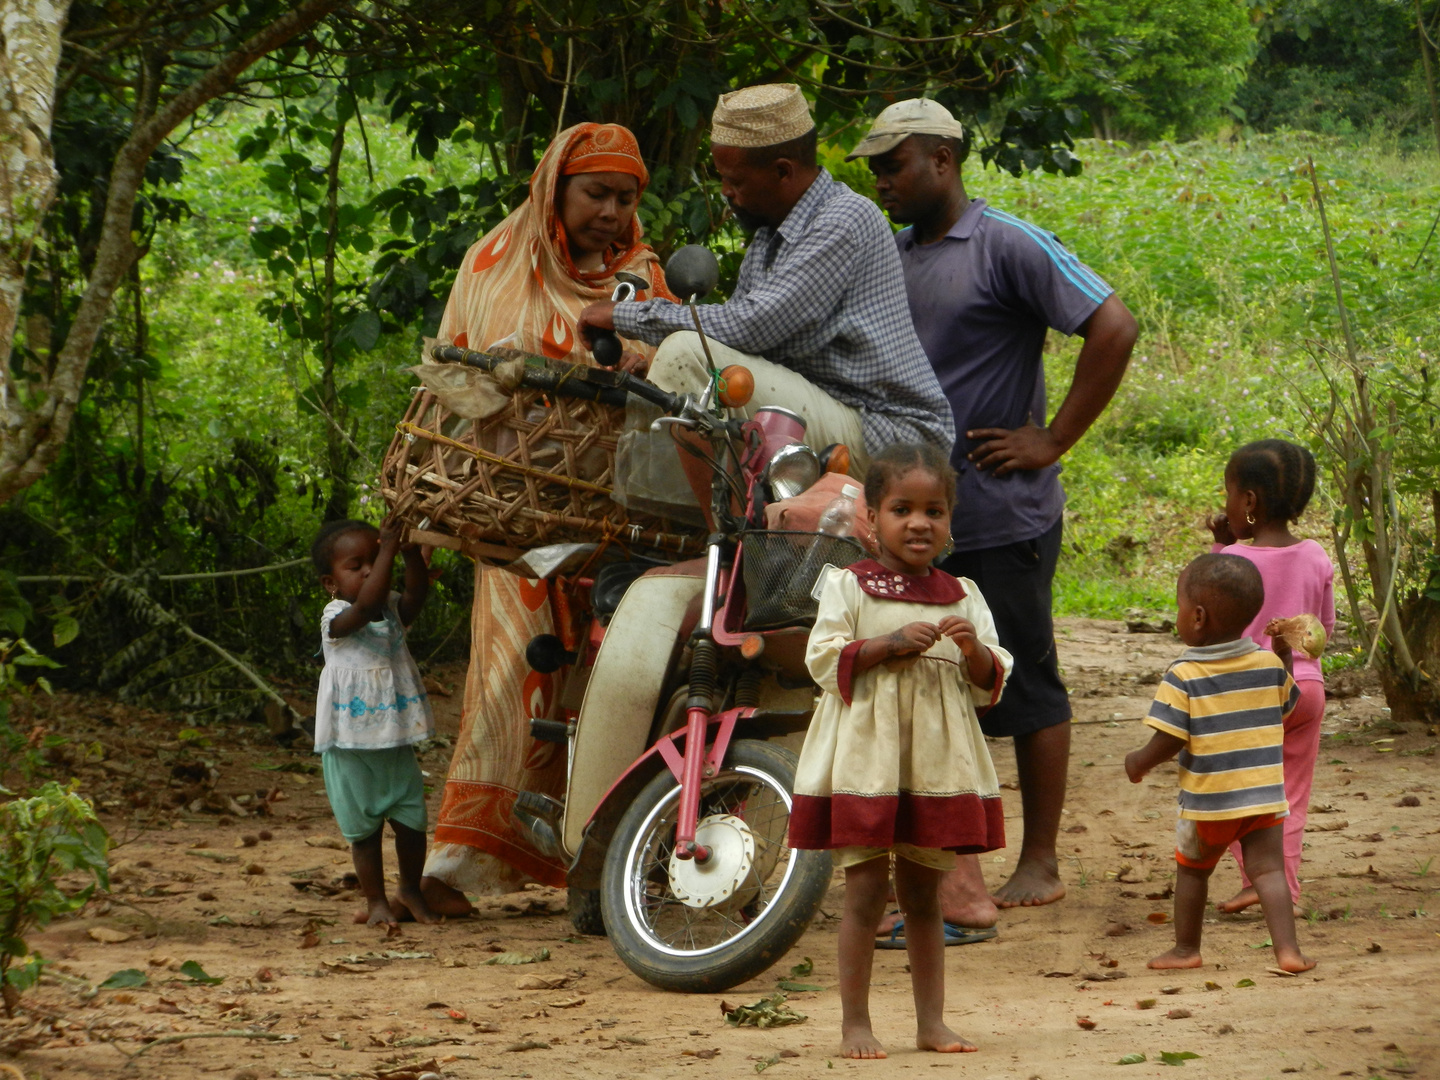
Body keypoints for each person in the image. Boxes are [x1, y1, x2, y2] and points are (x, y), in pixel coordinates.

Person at [848, 99, 1138, 924]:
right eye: (873, 170)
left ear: (943, 157)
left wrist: (1052, 438)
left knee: (1026, 683)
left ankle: (1039, 859)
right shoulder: (891, 257)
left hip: (1003, 514)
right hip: (912, 524)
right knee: (929, 686)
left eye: (894, 164)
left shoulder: (1004, 242)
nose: (882, 182)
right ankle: (946, 865)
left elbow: (1114, 324)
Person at [420, 123, 677, 914]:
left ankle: (597, 858)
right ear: (555, 190)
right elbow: (449, 380)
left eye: (625, 197)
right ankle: (460, 863)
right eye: (596, 193)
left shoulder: (644, 275)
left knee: (607, 679)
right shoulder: (500, 261)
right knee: (507, 673)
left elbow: (676, 375)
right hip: (512, 507)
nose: (610, 211)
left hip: (621, 510)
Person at [576, 82, 954, 511]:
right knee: (681, 366)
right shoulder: (771, 235)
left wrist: (627, 316)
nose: (725, 191)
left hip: (887, 434)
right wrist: (656, 367)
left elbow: (749, 326)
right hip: (840, 414)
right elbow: (740, 342)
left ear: (782, 171)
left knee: (687, 352)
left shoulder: (844, 219)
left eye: (734, 179)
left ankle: (731, 536)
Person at [789, 443, 1012, 1059]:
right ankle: (854, 1024)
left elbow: (994, 676)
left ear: (948, 520)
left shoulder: (961, 593)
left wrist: (972, 652)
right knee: (865, 893)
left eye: (934, 511)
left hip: (934, 765)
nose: (920, 523)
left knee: (924, 897)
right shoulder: (849, 585)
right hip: (869, 762)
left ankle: (931, 1023)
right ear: (873, 516)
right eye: (902, 508)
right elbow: (823, 656)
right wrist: (886, 643)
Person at [1125, 553, 1315, 974]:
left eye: (1178, 607)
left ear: (1196, 617)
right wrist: (1282, 655)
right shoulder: (1267, 665)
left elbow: (1171, 736)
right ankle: (1288, 952)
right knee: (1268, 872)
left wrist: (1139, 761)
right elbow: (1284, 708)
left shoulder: (1184, 672)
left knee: (1193, 872)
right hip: (1264, 798)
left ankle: (1185, 949)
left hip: (1209, 801)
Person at [1205, 439, 1334, 915]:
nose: (1226, 504)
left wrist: (1221, 545)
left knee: (1239, 790)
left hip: (1250, 694)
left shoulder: (1235, 561)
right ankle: (1284, 889)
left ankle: (1256, 878)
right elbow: (1324, 628)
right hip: (1306, 689)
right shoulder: (1316, 555)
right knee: (1290, 796)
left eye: (1230, 494)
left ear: (1250, 503)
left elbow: (1215, 622)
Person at [311, 518, 438, 928]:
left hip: (394, 742)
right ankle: (376, 900)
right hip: (349, 749)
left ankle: (410, 890)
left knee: (411, 823)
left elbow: (418, 593)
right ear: (331, 582)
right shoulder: (336, 617)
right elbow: (364, 606)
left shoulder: (392, 610)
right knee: (363, 833)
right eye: (357, 564)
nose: (369, 570)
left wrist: (407, 551)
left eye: (375, 558)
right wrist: (386, 551)